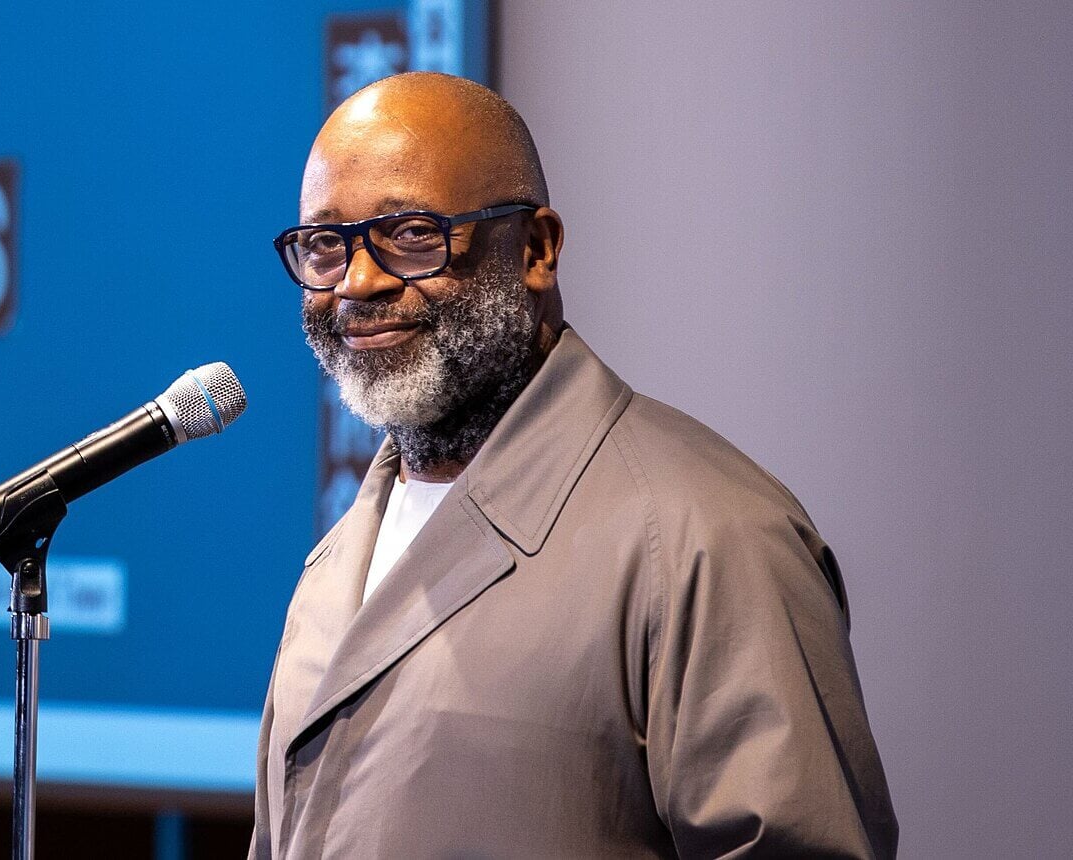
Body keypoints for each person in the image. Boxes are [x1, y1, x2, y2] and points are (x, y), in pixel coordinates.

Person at [252, 72, 897, 858]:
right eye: (325, 244)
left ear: (535, 250)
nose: (358, 282)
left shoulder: (711, 539)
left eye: (413, 233)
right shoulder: (337, 562)